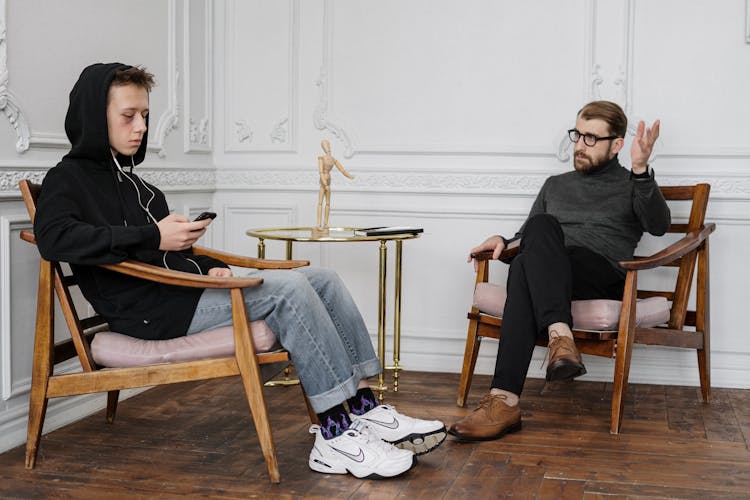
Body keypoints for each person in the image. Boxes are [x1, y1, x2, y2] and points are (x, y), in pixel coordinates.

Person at [33, 62, 446, 479]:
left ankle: (363, 407)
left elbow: (174, 256)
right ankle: (334, 436)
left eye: (144, 115)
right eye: (128, 116)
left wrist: (212, 267)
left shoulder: (139, 186)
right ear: (93, 116)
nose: (140, 126)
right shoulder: (67, 179)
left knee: (324, 278)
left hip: (181, 292)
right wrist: (153, 237)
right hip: (151, 314)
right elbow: (54, 239)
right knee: (288, 290)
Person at [449, 101, 671, 442]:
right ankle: (554, 343)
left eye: (592, 138)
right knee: (532, 241)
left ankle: (505, 399)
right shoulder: (555, 185)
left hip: (600, 275)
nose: (580, 145)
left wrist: (641, 171)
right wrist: (503, 241)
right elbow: (529, 239)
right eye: (578, 135)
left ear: (617, 145)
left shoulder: (631, 185)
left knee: (532, 250)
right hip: (551, 276)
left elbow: (659, 225)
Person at [316, 139, 353, 229]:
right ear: (323, 148)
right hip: (323, 181)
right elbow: (320, 172)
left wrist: (350, 176)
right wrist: (324, 183)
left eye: (328, 145)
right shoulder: (321, 158)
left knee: (328, 203)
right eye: (325, 145)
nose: (327, 147)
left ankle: (325, 224)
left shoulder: (333, 159)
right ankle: (318, 224)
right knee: (320, 203)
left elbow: (342, 170)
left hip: (328, 181)